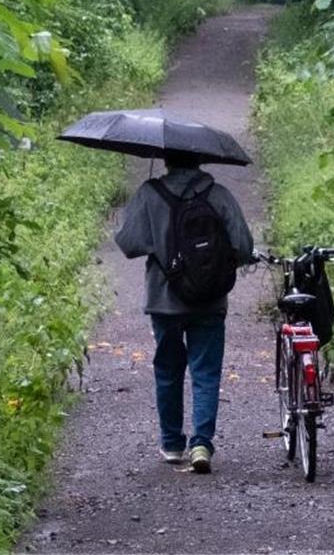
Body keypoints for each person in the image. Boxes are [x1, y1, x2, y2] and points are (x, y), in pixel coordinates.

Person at [114, 150, 254, 474]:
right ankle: (202, 443)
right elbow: (243, 246)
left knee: (168, 369)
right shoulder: (218, 195)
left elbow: (128, 243)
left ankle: (172, 443)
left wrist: (156, 232)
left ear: (166, 160)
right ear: (199, 161)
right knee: (206, 372)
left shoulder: (150, 193)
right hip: (210, 299)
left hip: (164, 299)